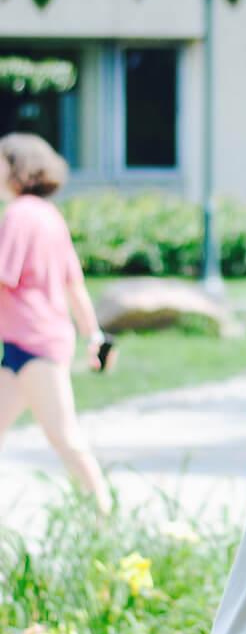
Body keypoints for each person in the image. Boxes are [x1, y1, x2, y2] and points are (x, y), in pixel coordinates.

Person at [0, 133, 110, 513]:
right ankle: (101, 510)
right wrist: (93, 334)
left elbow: (4, 275)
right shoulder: (50, 216)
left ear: (18, 169)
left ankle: (103, 514)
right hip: (29, 344)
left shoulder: (19, 214)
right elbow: (74, 285)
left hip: (34, 344)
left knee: (64, 436)